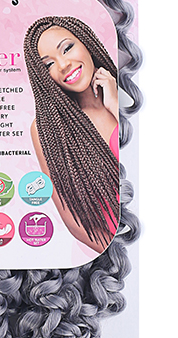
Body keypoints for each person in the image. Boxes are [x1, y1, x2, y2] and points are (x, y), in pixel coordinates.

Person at [24, 16, 120, 251]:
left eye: (67, 48)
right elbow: (74, 222)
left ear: (86, 42)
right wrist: (120, 253)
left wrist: (118, 107)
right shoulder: (49, 129)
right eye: (48, 64)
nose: (63, 65)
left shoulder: (130, 95)